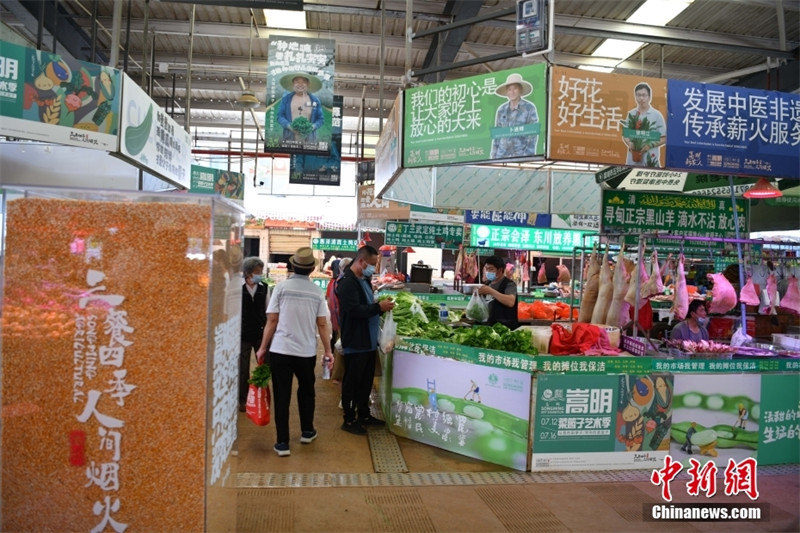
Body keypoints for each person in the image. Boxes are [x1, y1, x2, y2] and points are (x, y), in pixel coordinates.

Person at [255, 247, 332, 457]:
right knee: (307, 392)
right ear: (310, 270)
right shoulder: (317, 292)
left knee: (282, 396)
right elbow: (322, 324)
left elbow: (271, 320)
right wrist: (327, 350)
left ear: (292, 266)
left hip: (280, 350)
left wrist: (263, 348)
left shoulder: (281, 289)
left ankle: (282, 443)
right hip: (306, 353)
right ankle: (307, 431)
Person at [336, 245, 395, 435]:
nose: (373, 268)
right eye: (371, 264)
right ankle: (349, 419)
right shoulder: (347, 283)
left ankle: (364, 414)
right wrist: (379, 308)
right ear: (361, 261)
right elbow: (353, 311)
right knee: (353, 381)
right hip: (356, 340)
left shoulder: (364, 279)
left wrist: (377, 306)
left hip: (369, 341)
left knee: (365, 381)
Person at [239, 257, 267, 412]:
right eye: (257, 272)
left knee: (263, 366)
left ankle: (261, 395)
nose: (260, 274)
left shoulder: (264, 288)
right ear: (248, 273)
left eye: (261, 272)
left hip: (260, 333)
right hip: (242, 334)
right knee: (242, 368)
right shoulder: (238, 288)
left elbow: (269, 311)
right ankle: (242, 399)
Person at [490, 72, 539, 159]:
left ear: (520, 90)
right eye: (509, 89)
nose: (512, 92)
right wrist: (493, 157)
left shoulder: (529, 108)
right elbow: (497, 137)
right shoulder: (501, 110)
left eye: (515, 88)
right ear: (506, 92)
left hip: (520, 156)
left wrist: (527, 157)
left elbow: (533, 135)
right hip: (501, 157)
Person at [621, 82, 666, 167]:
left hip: (650, 160)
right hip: (632, 160)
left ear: (649, 97)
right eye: (638, 95)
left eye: (644, 95)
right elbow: (625, 134)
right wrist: (629, 143)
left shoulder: (657, 115)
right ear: (635, 97)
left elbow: (664, 138)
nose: (641, 98)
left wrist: (650, 145)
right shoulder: (631, 114)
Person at [276, 72, 325, 143]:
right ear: (293, 83)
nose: (300, 84)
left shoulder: (315, 101)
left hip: (309, 141)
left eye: (304, 81)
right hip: (289, 140)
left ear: (308, 84)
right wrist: (289, 126)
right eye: (297, 81)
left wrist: (312, 127)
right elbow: (280, 116)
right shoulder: (286, 99)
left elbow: (320, 119)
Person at [477, 255, 519, 329]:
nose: (488, 272)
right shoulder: (487, 284)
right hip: (490, 326)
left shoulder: (509, 284)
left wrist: (491, 291)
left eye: (491, 269)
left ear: (500, 270)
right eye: (486, 269)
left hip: (505, 328)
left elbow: (510, 302)